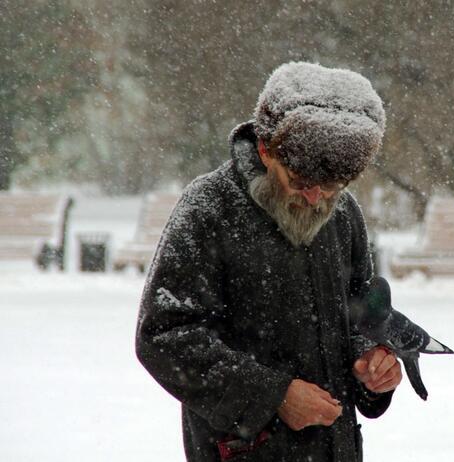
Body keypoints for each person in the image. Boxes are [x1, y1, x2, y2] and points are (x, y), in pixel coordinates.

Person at [135, 62, 403, 462]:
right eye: (300, 181)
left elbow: (360, 318)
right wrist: (273, 396)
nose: (317, 198)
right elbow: (164, 337)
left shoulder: (344, 214)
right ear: (265, 148)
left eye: (332, 186)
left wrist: (372, 367)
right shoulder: (208, 209)